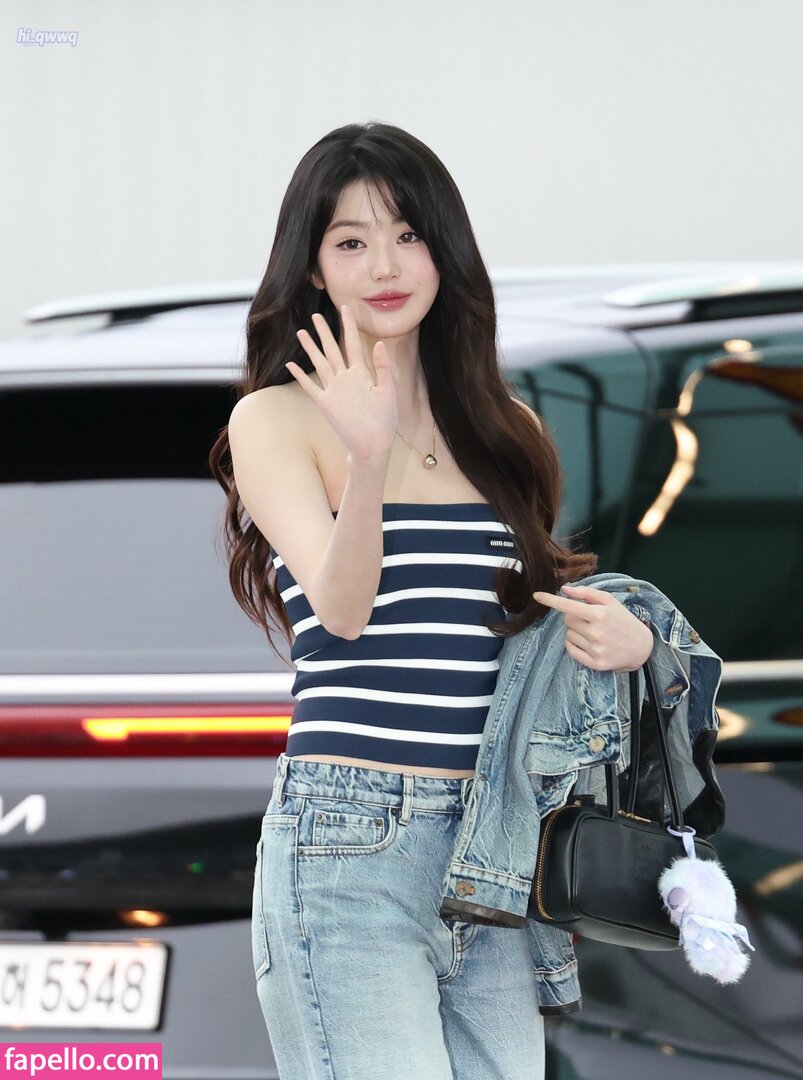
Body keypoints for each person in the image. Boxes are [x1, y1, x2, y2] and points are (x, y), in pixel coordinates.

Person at [211, 121, 654, 1080]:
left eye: (408, 234)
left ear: (443, 251)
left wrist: (625, 641)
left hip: (493, 839)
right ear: (312, 266)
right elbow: (343, 613)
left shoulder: (506, 428)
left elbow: (517, 634)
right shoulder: (273, 420)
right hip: (349, 836)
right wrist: (366, 456)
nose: (385, 265)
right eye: (351, 240)